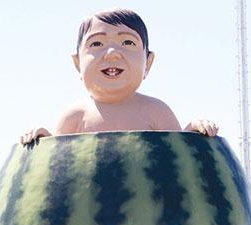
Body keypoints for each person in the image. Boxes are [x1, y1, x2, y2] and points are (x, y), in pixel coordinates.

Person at [20, 8, 218, 147]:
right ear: (77, 63)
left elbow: (178, 159)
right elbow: (56, 166)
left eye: (127, 42)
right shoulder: (75, 115)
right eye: (97, 44)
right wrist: (43, 141)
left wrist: (193, 134)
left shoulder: (156, 111)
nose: (112, 53)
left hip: (149, 206)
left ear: (148, 62)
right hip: (88, 206)